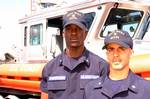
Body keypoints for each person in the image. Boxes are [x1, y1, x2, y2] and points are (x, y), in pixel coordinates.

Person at [40, 11, 109, 99]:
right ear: (63, 34)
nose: (74, 33)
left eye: (78, 29)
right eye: (69, 29)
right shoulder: (49, 68)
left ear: (85, 34)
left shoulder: (101, 67)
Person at [84, 30, 150, 99]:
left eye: (121, 49)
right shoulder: (91, 89)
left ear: (131, 52)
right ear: (107, 54)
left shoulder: (146, 90)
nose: (115, 54)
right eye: (111, 49)